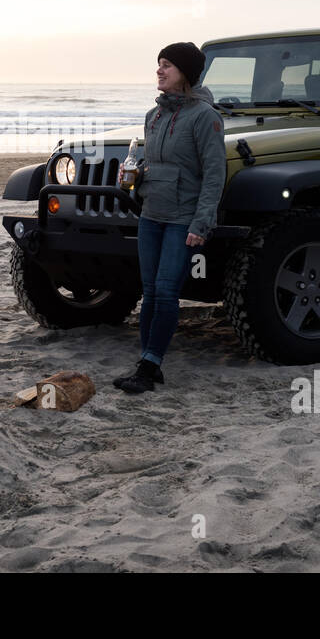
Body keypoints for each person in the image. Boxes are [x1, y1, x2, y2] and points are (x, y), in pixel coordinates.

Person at [114, 42, 225, 394]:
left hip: (182, 220)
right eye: (158, 64)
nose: (160, 71)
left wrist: (201, 223)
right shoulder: (154, 116)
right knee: (150, 292)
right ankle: (148, 362)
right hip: (151, 215)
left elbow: (214, 174)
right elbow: (158, 165)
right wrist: (135, 175)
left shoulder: (205, 117)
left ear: (186, 74)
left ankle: (149, 366)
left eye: (167, 65)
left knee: (165, 292)